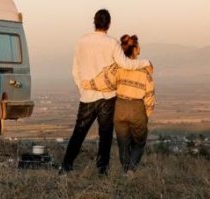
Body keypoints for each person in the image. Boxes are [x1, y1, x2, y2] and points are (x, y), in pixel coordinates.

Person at [60, 9, 152, 175]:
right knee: (105, 135)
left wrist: (82, 89)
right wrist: (145, 62)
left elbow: (75, 69)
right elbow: (125, 64)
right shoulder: (112, 43)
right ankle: (102, 169)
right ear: (109, 24)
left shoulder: (82, 41)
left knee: (79, 133)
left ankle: (66, 167)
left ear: (94, 22)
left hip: (87, 96)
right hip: (108, 96)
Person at [82, 34, 155, 173]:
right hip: (137, 108)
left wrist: (86, 84)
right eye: (138, 47)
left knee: (123, 142)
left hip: (120, 107)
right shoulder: (144, 72)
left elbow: (104, 82)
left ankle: (125, 171)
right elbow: (150, 94)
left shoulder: (117, 68)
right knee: (139, 142)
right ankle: (131, 170)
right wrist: (148, 113)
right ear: (135, 49)